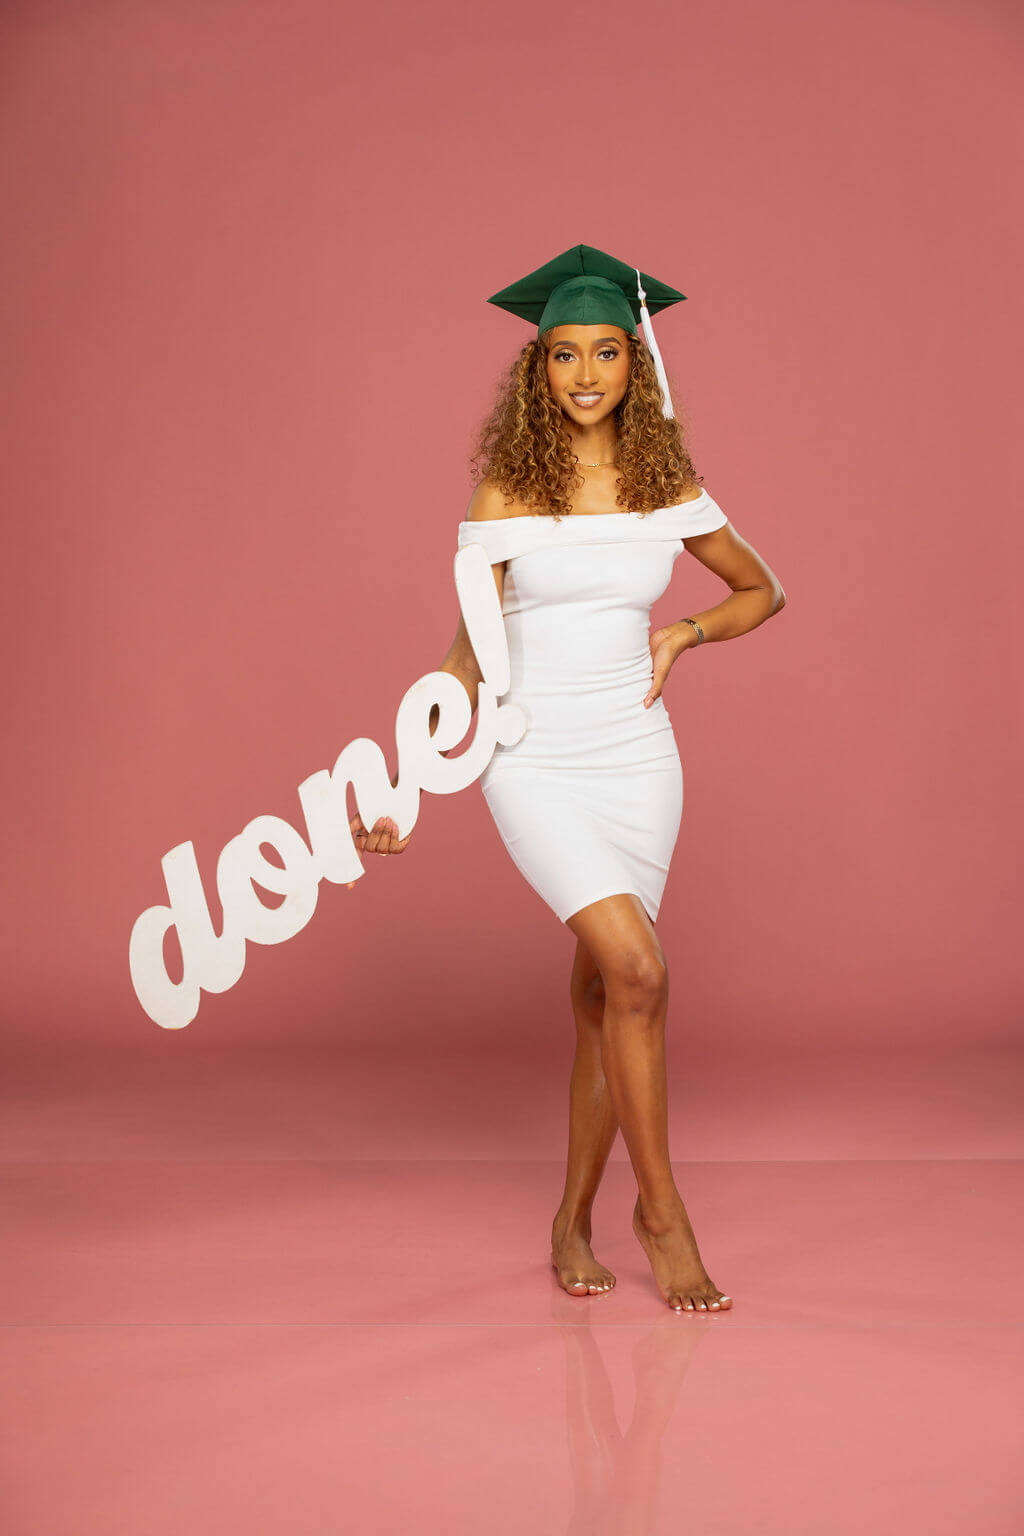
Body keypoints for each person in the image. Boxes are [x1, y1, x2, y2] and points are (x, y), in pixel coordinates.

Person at [350, 244, 786, 1313]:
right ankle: (662, 1214)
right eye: (561, 356)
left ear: (634, 366)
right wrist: (405, 783)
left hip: (637, 758)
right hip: (532, 750)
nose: (584, 374)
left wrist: (683, 632)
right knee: (638, 971)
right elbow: (468, 644)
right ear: (535, 372)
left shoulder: (664, 481)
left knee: (602, 994)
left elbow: (762, 590)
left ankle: (569, 1220)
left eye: (604, 353)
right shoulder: (506, 487)